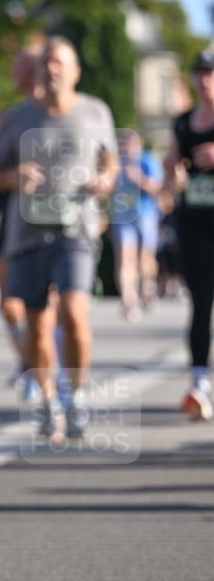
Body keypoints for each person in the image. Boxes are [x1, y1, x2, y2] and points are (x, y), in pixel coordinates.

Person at [0, 36, 118, 440]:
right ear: (37, 71)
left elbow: (110, 163)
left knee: (75, 313)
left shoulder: (95, 112)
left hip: (76, 230)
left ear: (75, 71)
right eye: (46, 62)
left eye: (60, 62)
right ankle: (47, 400)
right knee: (37, 325)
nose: (52, 68)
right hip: (27, 234)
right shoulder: (17, 116)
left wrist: (103, 180)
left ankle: (75, 396)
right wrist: (13, 177)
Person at [0, 44, 48, 394]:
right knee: (8, 302)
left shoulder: (63, 111)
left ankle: (44, 369)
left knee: (46, 302)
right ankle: (30, 362)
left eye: (18, 65)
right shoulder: (14, 114)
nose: (12, 72)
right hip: (10, 212)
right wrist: (1, 175)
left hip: (51, 219)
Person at [164, 48, 214, 420]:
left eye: (210, 72)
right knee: (200, 302)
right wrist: (174, 175)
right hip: (194, 223)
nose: (204, 79)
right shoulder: (182, 123)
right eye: (199, 72)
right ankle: (200, 381)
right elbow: (172, 167)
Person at [112, 129, 163, 320]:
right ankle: (128, 300)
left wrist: (137, 177)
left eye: (130, 144)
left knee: (144, 258)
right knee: (125, 258)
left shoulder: (148, 159)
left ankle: (148, 286)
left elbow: (157, 187)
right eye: (123, 145)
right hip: (122, 215)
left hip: (145, 214)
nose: (126, 149)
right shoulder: (117, 162)